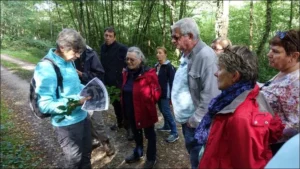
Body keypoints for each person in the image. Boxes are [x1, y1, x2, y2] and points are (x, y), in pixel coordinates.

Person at [196, 46, 284, 169]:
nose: (216, 73)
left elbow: (248, 164)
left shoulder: (240, 117)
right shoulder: (243, 95)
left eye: (220, 69)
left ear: (235, 76)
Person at [33, 28, 92, 169]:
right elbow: (45, 105)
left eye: (80, 52)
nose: (78, 56)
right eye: (75, 52)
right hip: (67, 124)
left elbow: (75, 86)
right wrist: (77, 102)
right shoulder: (46, 67)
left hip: (83, 117)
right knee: (74, 161)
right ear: (62, 47)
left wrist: (88, 89)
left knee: (86, 156)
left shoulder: (69, 61)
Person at [170, 18, 220, 169]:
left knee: (199, 162)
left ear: (190, 36)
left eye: (176, 37)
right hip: (189, 123)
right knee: (194, 157)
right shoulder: (188, 54)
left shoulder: (206, 57)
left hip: (197, 125)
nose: (173, 41)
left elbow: (211, 96)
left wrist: (193, 121)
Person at [260, 29, 299, 155]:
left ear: (294, 56)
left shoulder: (296, 83)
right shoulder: (284, 72)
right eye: (270, 49)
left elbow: (296, 126)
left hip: (279, 150)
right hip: (265, 144)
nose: (269, 54)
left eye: (275, 51)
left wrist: (260, 128)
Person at [121, 47, 161, 169]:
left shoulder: (149, 73)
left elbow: (157, 93)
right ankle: (138, 153)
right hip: (130, 110)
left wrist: (148, 104)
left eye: (132, 59)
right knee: (136, 133)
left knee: (150, 134)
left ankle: (151, 157)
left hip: (145, 111)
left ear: (140, 59)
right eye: (127, 59)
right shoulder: (126, 73)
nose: (129, 62)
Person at [75, 45, 115, 156]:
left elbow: (99, 75)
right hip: (77, 94)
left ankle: (106, 143)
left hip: (92, 92)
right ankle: (94, 140)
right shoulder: (66, 57)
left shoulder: (91, 54)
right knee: (86, 120)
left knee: (97, 121)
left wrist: (82, 74)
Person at [100, 27, 134, 140]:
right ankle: (119, 122)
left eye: (110, 36)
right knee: (115, 104)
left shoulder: (122, 48)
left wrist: (126, 71)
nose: (108, 38)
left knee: (125, 105)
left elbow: (131, 62)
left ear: (115, 37)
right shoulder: (103, 48)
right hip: (109, 82)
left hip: (121, 82)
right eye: (106, 35)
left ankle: (129, 128)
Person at [154, 46, 179, 143]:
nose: (158, 55)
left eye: (160, 53)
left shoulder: (169, 67)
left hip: (166, 93)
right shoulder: (156, 66)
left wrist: (172, 96)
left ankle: (174, 132)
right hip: (158, 93)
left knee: (166, 111)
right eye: (157, 53)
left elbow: (173, 82)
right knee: (162, 110)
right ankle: (166, 126)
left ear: (165, 54)